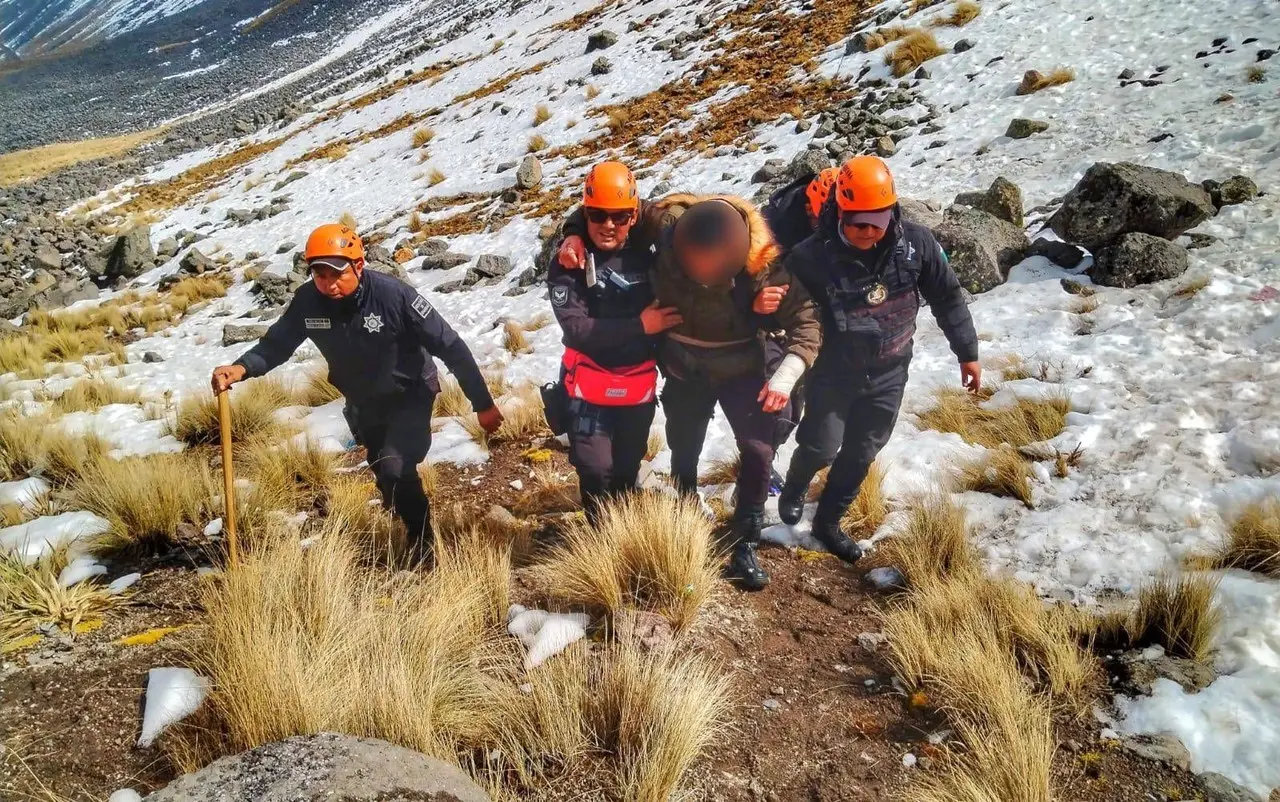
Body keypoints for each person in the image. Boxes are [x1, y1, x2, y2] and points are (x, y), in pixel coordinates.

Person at [210, 223, 502, 562]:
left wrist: (482, 404)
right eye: (320, 275)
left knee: (397, 466)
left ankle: (423, 545)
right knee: (385, 471)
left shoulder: (394, 297)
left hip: (411, 392)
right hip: (363, 401)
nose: (329, 284)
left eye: (337, 274)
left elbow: (452, 347)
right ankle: (404, 509)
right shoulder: (309, 301)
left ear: (358, 265)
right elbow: (277, 345)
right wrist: (241, 368)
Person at [776, 156, 981, 564]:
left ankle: (829, 523)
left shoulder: (917, 245)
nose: (868, 231)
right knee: (820, 445)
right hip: (833, 375)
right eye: (857, 223)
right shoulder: (809, 257)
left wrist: (967, 353)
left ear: (892, 212)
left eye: (878, 221)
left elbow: (948, 297)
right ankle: (796, 484)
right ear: (840, 212)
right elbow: (789, 314)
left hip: (890, 372)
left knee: (861, 452)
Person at [648, 195, 821, 591]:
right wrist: (572, 237)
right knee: (684, 438)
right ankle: (686, 491)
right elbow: (609, 211)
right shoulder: (660, 225)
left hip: (741, 367)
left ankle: (746, 537)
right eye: (695, 261)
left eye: (715, 264)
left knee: (760, 448)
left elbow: (807, 321)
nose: (705, 271)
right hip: (685, 365)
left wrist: (785, 376)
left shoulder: (761, 263)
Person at [546, 162, 681, 522]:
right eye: (598, 215)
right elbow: (577, 330)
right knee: (594, 468)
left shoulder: (649, 246)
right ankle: (599, 534)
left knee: (626, 467)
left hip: (637, 385)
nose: (608, 225)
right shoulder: (568, 261)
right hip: (587, 387)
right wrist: (642, 325)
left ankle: (618, 533)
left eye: (619, 217)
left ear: (633, 216)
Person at [755, 166, 841, 490]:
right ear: (809, 206)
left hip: (815, 326)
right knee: (779, 407)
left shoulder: (843, 227)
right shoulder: (767, 231)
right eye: (824, 220)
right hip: (770, 328)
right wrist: (754, 301)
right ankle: (755, 472)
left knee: (804, 405)